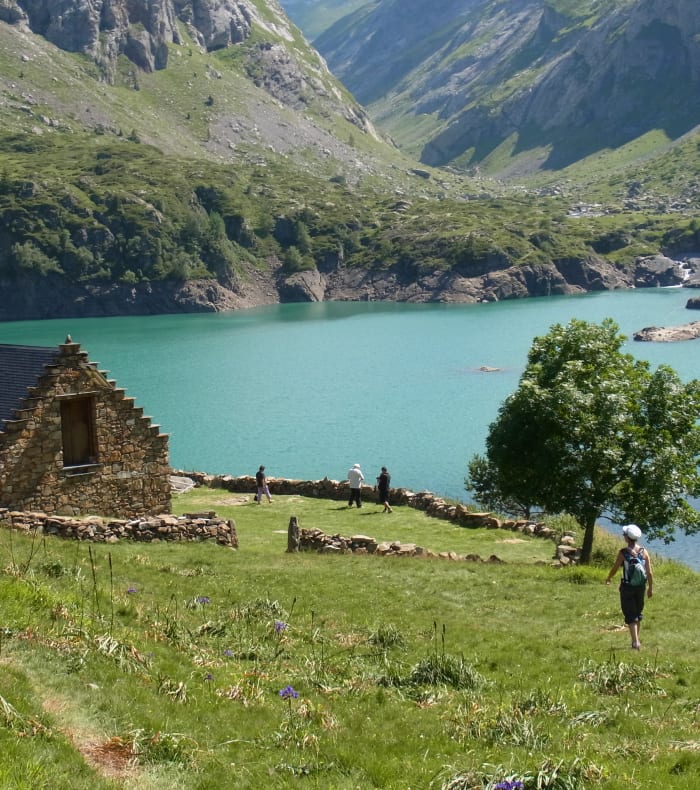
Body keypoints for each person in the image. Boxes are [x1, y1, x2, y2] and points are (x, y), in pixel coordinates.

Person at [605, 524, 653, 650]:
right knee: (638, 612)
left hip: (627, 587)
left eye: (624, 534)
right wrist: (650, 588)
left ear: (627, 538)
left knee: (631, 614)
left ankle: (635, 643)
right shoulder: (644, 551)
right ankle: (636, 639)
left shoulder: (623, 553)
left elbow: (615, 568)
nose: (623, 536)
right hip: (641, 587)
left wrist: (609, 577)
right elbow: (649, 573)